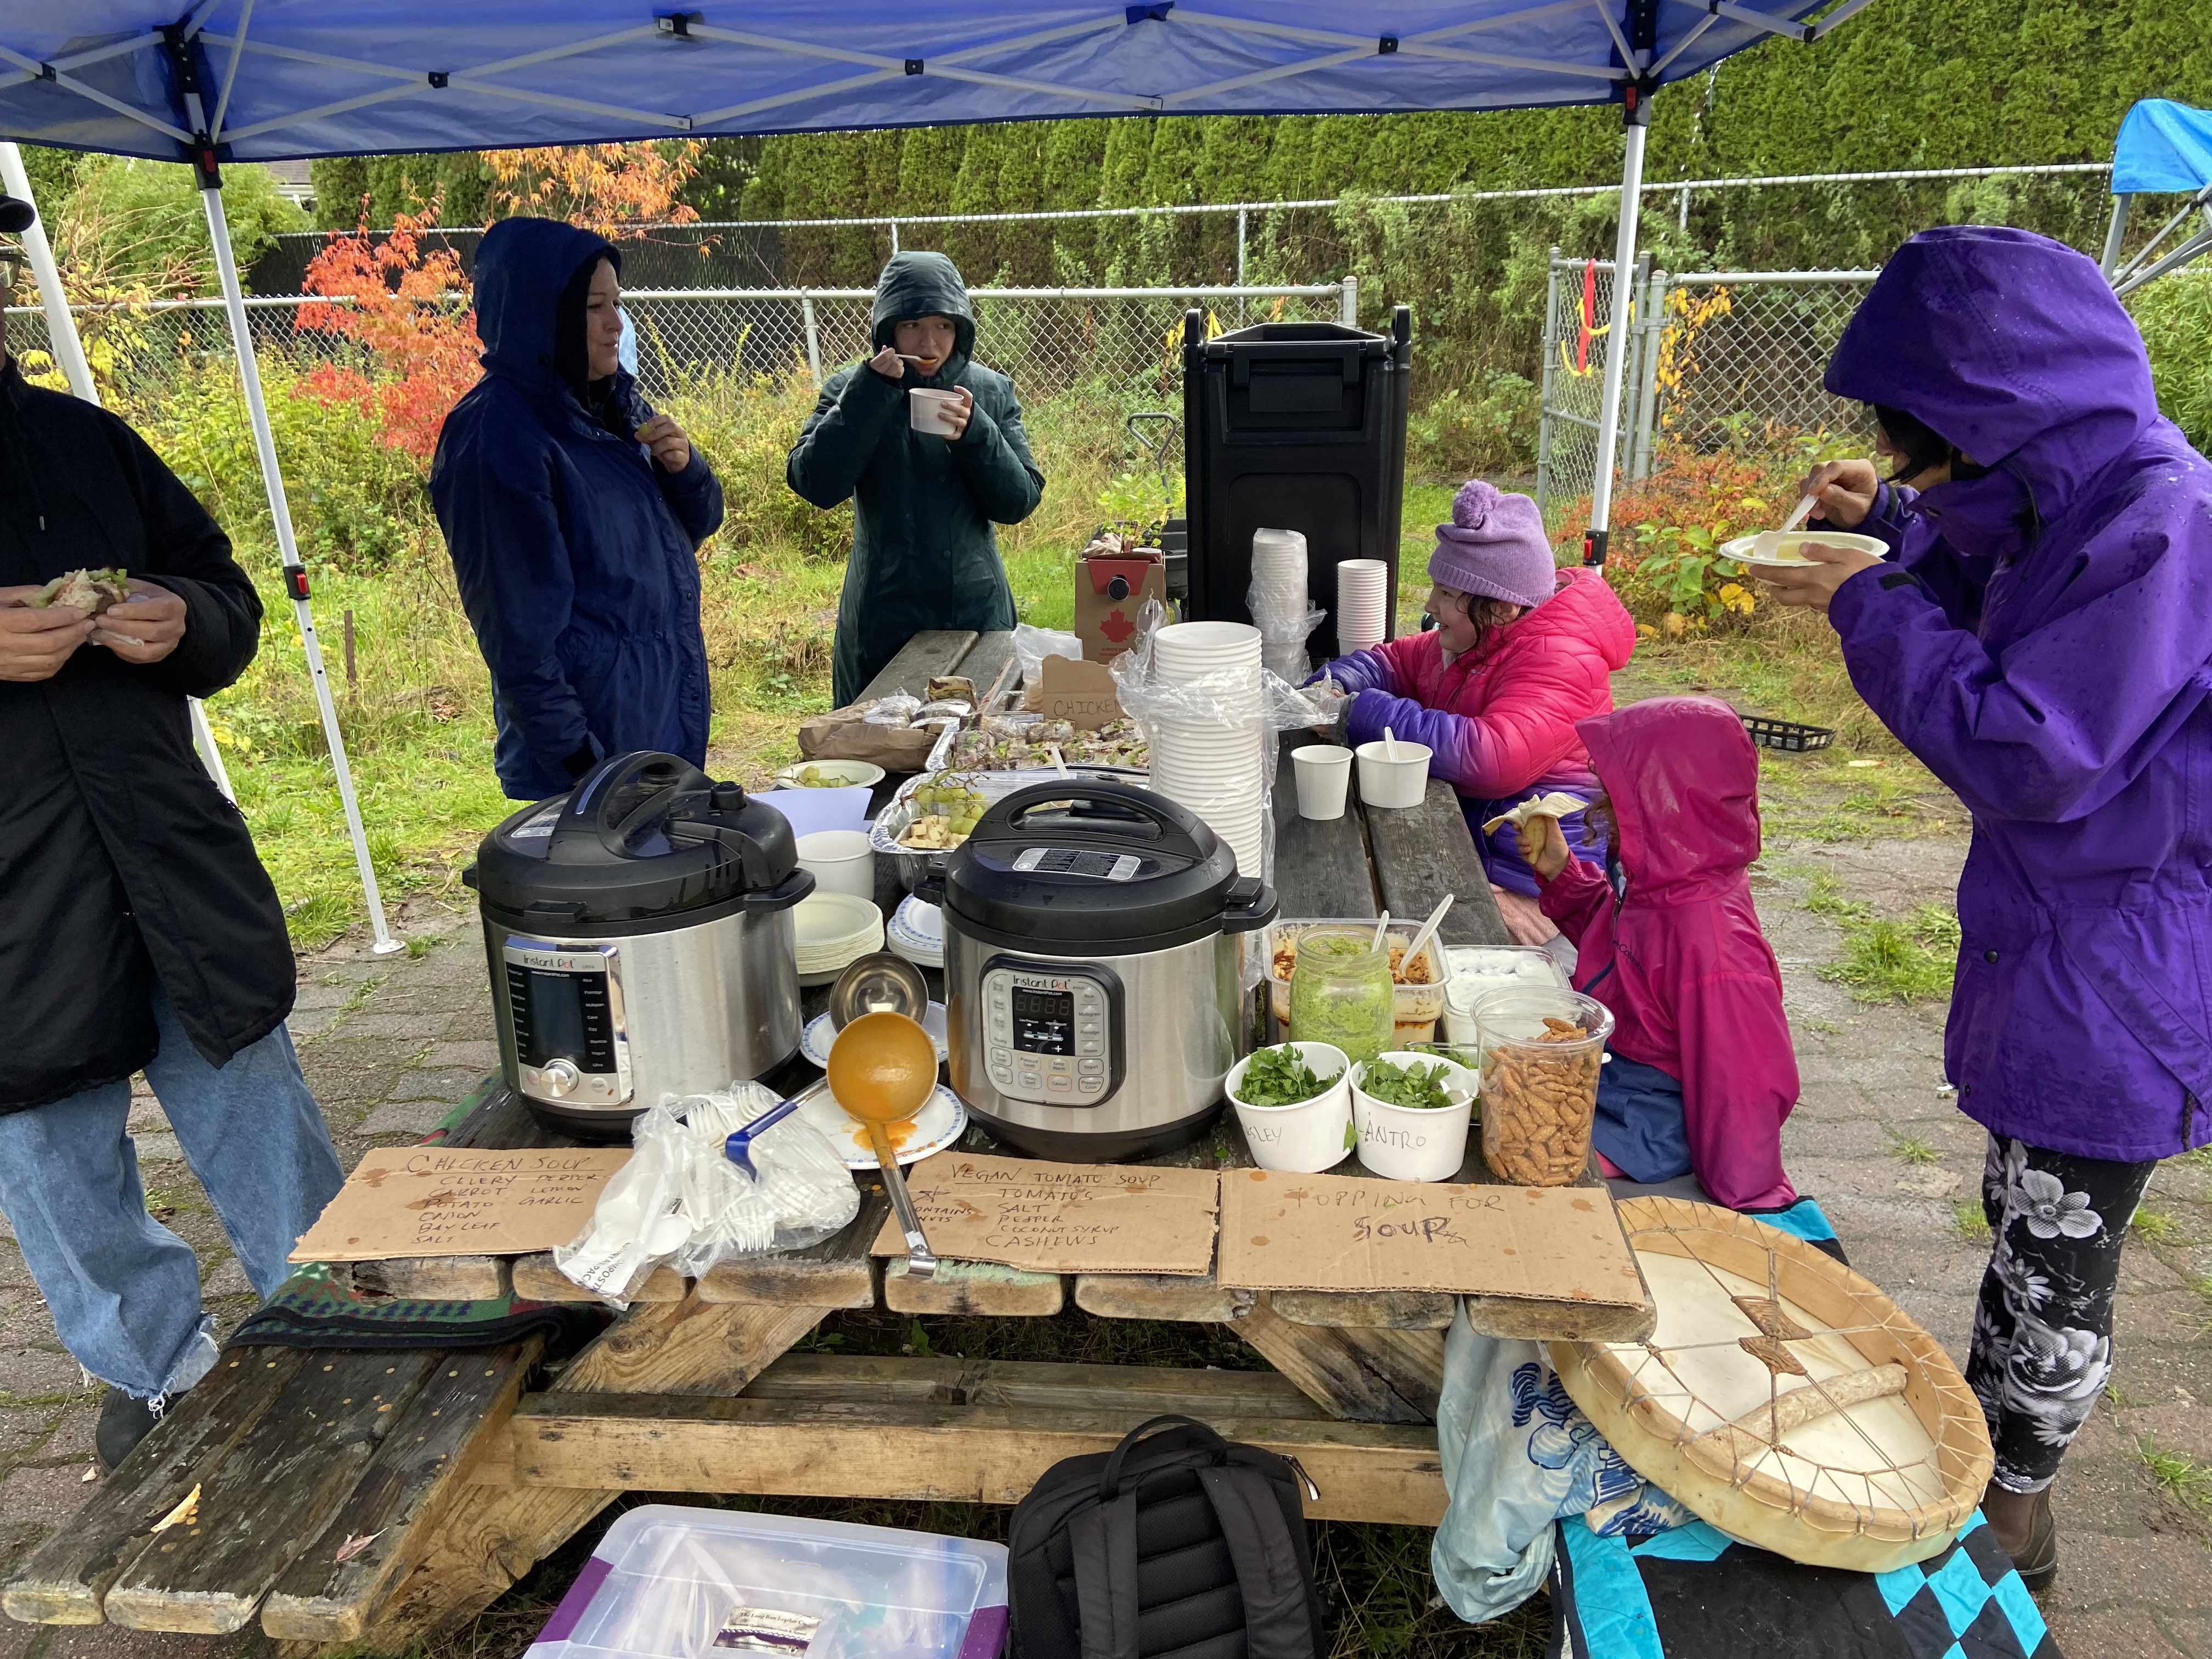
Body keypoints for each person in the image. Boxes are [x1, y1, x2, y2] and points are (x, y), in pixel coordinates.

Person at [1757, 225, 2212, 1586]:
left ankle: (2009, 1521)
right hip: (2062, 936)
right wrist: (1891, 529)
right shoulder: (2072, 490)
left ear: (2002, 417)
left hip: (2122, 958)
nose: (1915, 468)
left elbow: (2036, 747)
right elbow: (2008, 580)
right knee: (2030, 1216)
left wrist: (1872, 607)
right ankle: (2006, 1473)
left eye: (1925, 451)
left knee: (2061, 1254)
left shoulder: (2161, 521)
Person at [0, 199, 343, 1469]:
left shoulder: (87, 443)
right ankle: (155, 1379)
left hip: (169, 863)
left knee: (258, 1109)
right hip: (12, 910)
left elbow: (228, 598)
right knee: (53, 1160)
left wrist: (176, 618)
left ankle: (338, 1330)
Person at [432, 218, 724, 802]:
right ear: (542, 315)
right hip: (583, 760)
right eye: (595, 307)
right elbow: (518, 638)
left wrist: (685, 470)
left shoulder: (610, 403)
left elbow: (685, 535)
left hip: (652, 718)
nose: (617, 323)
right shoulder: (498, 436)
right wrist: (583, 769)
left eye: (618, 303)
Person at [1313, 479, 1634, 945]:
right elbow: (1392, 661)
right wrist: (1334, 684)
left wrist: (1357, 713)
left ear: (1501, 608)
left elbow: (1491, 757)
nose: (1430, 605)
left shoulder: (1563, 659)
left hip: (1538, 890)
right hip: (1479, 852)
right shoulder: (1473, 642)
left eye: (1446, 593)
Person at [1521, 698, 1799, 1212]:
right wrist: (1563, 874)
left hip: (1649, 1116)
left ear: (1664, 804)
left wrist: (1752, 1199)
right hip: (1614, 1068)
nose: (1600, 810)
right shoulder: (1664, 880)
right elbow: (1625, 953)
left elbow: (1744, 1087)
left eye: (1614, 797)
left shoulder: (1715, 947)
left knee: (1524, 1150)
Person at [787, 252, 1045, 707]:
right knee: (877, 750)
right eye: (912, 326)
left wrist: (975, 432)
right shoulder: (852, 387)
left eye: (943, 326)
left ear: (960, 328)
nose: (929, 343)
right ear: (888, 330)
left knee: (978, 747)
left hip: (975, 606)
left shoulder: (988, 390)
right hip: (882, 611)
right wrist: (870, 395)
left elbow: (1018, 502)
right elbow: (815, 484)